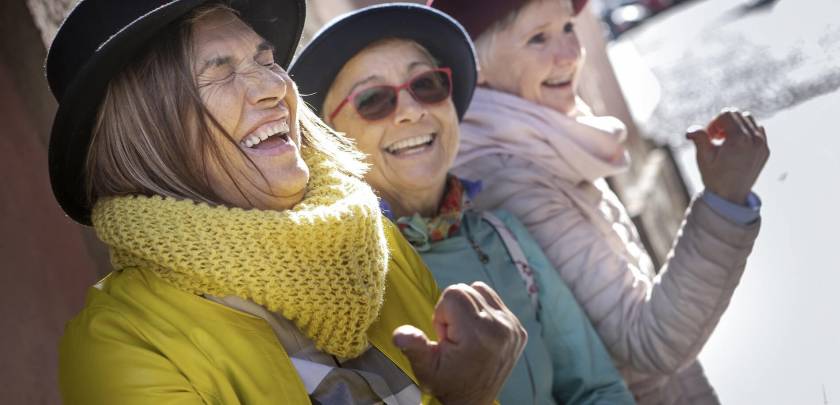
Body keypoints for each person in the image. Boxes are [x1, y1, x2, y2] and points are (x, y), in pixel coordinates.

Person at [47, 1, 528, 403]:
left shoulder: (370, 237)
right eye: (219, 73)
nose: (276, 87)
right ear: (143, 134)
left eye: (265, 60)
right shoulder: (122, 346)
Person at [289, 4, 634, 404]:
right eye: (373, 100)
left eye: (427, 84)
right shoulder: (336, 293)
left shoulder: (504, 234)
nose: (413, 110)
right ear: (330, 139)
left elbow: (598, 389)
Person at [429, 0, 771, 403]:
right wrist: (724, 202)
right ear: (477, 66)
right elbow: (648, 344)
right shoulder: (511, 180)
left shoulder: (539, 137)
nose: (570, 54)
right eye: (538, 38)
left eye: (568, 28)